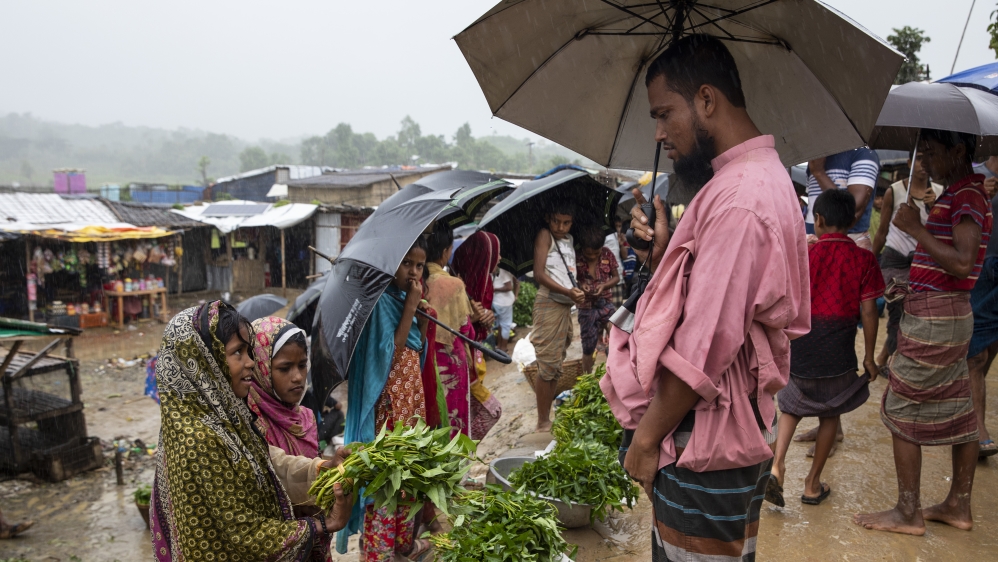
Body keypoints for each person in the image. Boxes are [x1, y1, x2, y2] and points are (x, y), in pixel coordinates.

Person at [613, 34, 809, 561]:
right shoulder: (751, 180)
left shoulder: (740, 201)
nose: (659, 134)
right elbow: (724, 303)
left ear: (706, 100)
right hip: (728, 435)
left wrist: (647, 439)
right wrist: (663, 259)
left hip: (705, 443)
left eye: (664, 114)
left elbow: (705, 345)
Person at [855, 129, 991, 536]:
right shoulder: (965, 192)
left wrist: (916, 229)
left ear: (958, 151)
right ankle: (958, 505)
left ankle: (907, 511)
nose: (925, 164)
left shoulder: (966, 196)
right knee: (960, 406)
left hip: (936, 318)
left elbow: (963, 262)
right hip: (948, 315)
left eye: (931, 154)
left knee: (901, 406)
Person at [151, 301, 352, 561]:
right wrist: (325, 524)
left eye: (249, 352)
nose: (250, 362)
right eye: (238, 353)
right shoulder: (198, 439)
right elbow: (244, 536)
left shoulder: (226, 418)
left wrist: (321, 469)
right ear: (203, 361)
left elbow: (269, 465)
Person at [768, 189, 883, 507]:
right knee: (831, 412)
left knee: (790, 407)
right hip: (839, 349)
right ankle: (812, 484)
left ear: (817, 220)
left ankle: (777, 467)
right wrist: (870, 357)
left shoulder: (806, 255)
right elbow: (870, 311)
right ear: (854, 219)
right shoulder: (864, 259)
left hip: (802, 345)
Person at [339, 238, 432, 560]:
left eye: (420, 265)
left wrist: (420, 316)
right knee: (385, 476)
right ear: (391, 263)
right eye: (407, 263)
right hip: (387, 407)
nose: (414, 271)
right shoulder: (379, 302)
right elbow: (387, 359)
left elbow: (413, 349)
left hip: (409, 405)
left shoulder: (403, 298)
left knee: (407, 474)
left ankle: (401, 544)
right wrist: (409, 308)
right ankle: (379, 550)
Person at [871, 154, 944, 369]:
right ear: (909, 163)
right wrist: (870, 264)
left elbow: (942, 232)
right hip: (894, 262)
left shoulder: (939, 193)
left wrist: (935, 207)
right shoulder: (894, 191)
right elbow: (882, 232)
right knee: (897, 314)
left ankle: (885, 357)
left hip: (924, 264)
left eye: (926, 158)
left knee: (916, 317)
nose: (923, 165)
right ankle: (895, 365)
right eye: (918, 159)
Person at [531, 200, 585, 432]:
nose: (561, 227)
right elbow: (539, 274)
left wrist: (576, 291)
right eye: (557, 221)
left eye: (566, 223)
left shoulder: (569, 240)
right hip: (549, 303)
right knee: (547, 364)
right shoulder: (545, 235)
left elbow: (565, 272)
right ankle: (542, 420)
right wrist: (567, 292)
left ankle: (547, 417)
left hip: (564, 306)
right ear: (547, 219)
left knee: (556, 364)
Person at [425, 228, 484, 438]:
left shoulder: (417, 281)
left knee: (433, 417)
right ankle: (458, 465)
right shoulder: (453, 284)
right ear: (444, 251)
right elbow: (467, 332)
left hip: (426, 361)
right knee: (455, 416)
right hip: (451, 362)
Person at [451, 231, 503, 440]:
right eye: (495, 254)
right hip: (459, 361)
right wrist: (469, 320)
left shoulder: (483, 283)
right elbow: (447, 326)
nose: (499, 258)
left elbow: (482, 326)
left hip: (474, 360)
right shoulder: (455, 286)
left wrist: (486, 318)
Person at [968, 155, 998, 459]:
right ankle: (978, 430)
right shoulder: (974, 175)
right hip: (982, 266)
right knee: (976, 353)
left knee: (990, 348)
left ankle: (965, 403)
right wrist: (982, 197)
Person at [806, 148, 881, 250]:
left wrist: (819, 173)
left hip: (847, 241)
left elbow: (853, 208)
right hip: (812, 240)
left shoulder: (863, 153)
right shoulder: (815, 158)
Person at [576, 227, 619, 373]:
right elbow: (572, 280)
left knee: (616, 337)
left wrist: (604, 285)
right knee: (588, 347)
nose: (593, 256)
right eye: (589, 253)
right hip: (586, 307)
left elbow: (616, 277)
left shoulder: (608, 253)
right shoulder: (576, 257)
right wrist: (581, 285)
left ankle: (615, 371)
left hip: (606, 303)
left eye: (596, 253)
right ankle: (587, 377)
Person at [492, 266, 517, 354]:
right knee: (500, 325)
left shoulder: (503, 270)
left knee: (505, 325)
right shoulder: (502, 270)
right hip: (500, 302)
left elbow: (509, 287)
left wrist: (494, 289)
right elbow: (516, 281)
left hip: (504, 302)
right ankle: (499, 346)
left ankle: (503, 348)